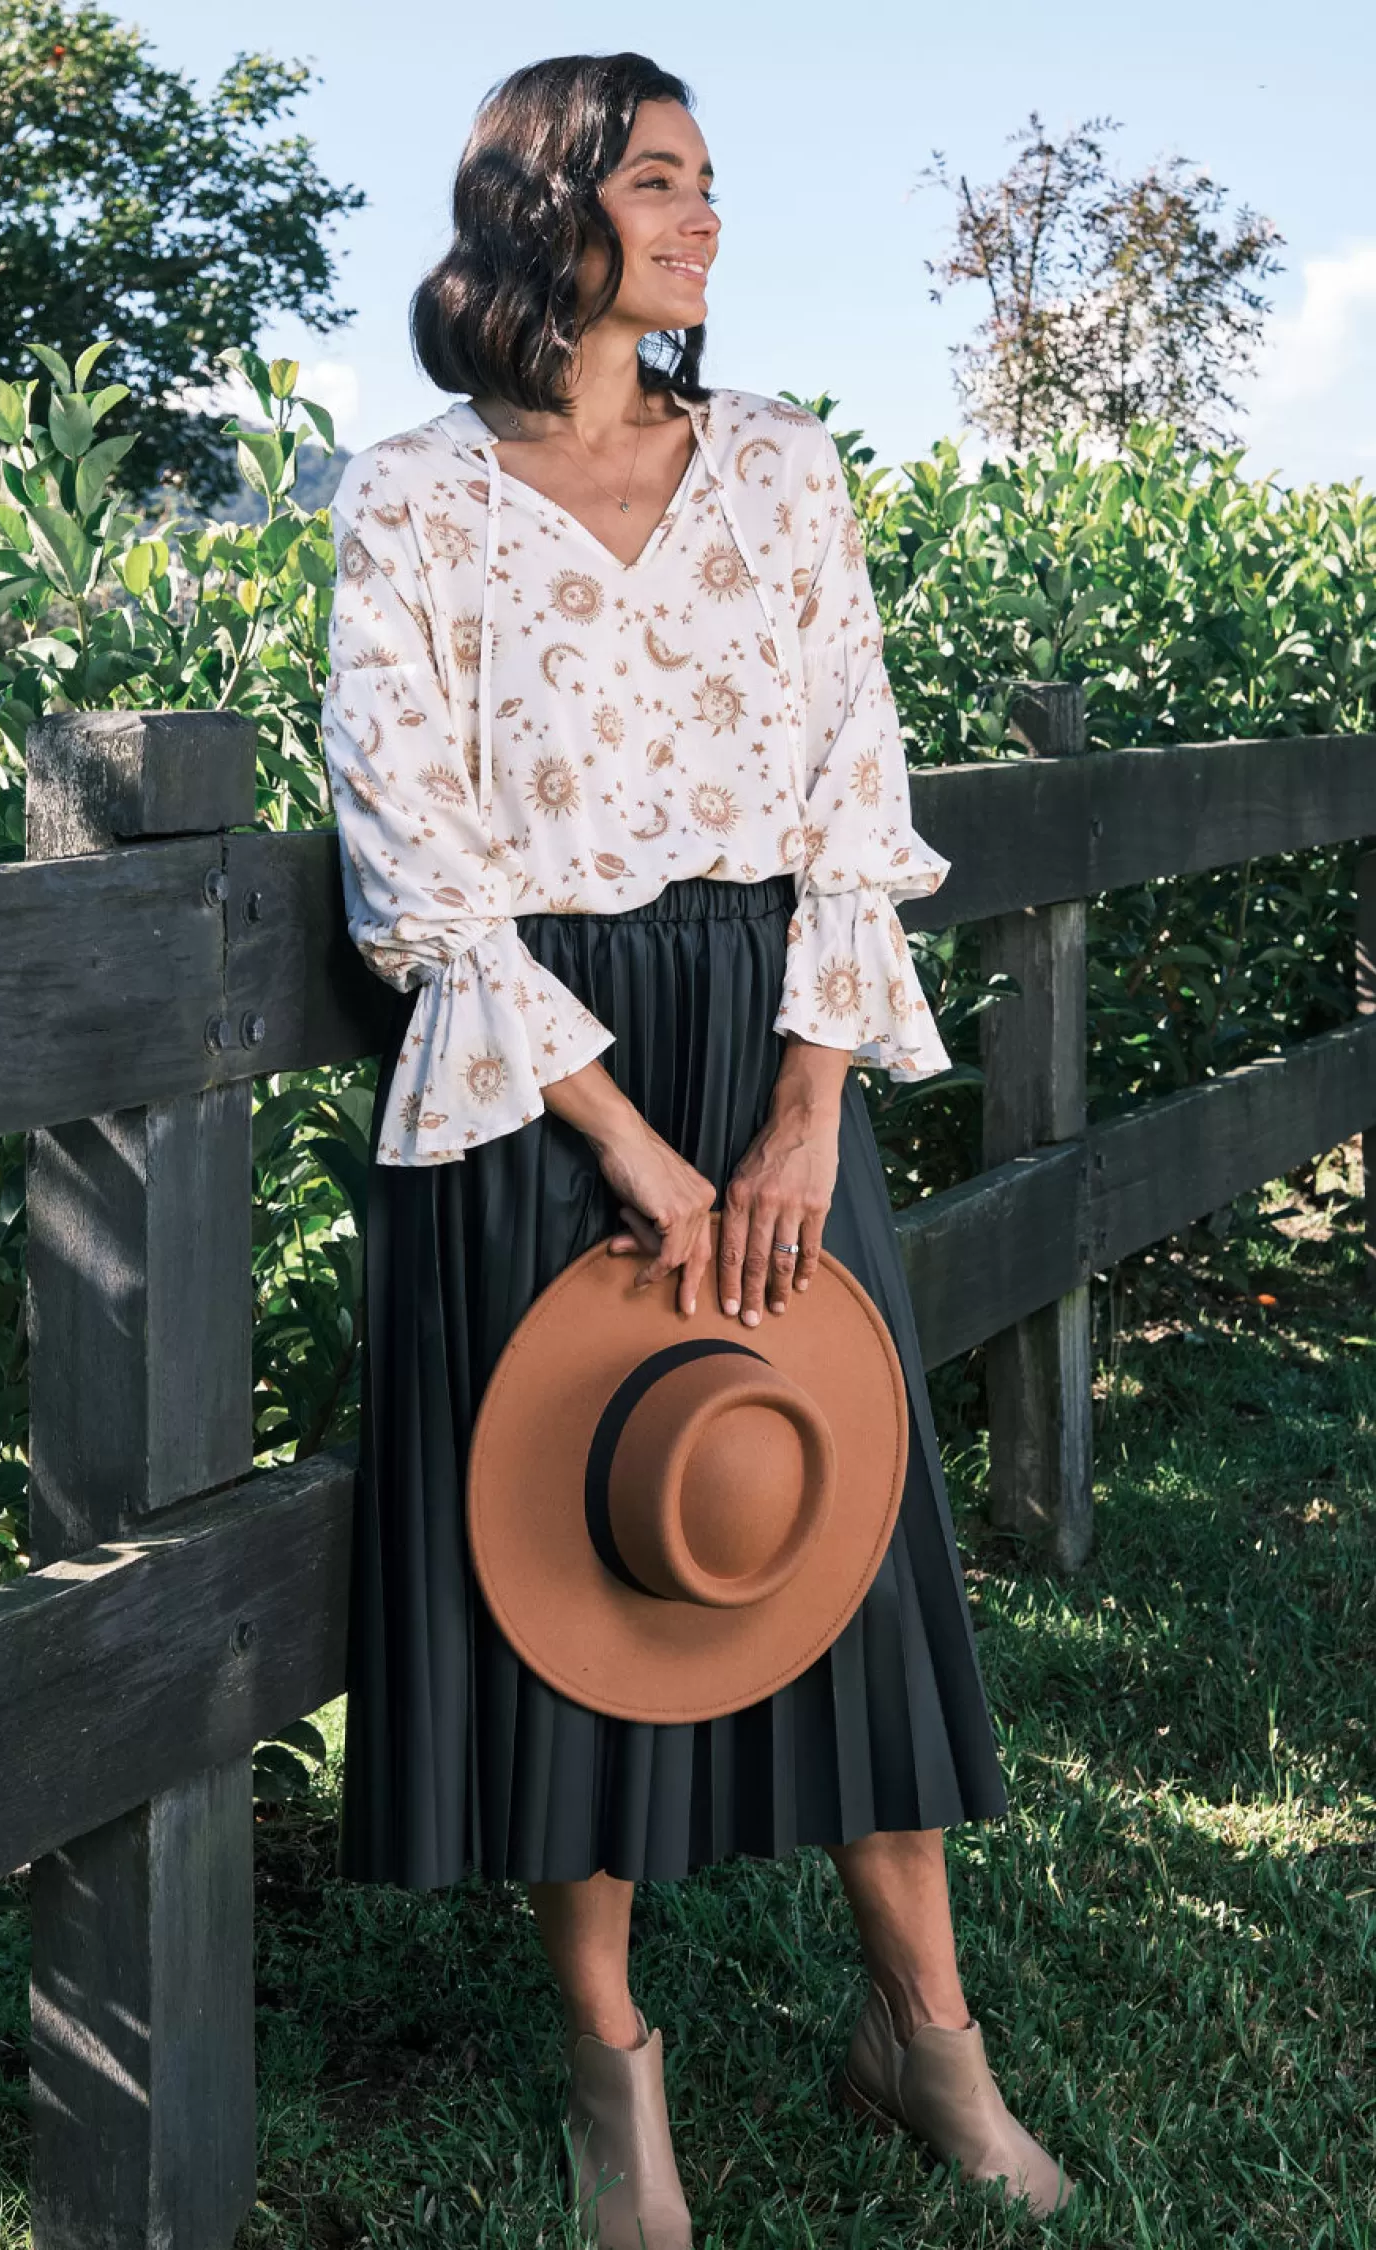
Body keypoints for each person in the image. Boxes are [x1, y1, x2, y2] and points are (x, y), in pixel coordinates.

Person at [320, 50, 1075, 2243]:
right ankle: (610, 2072)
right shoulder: (413, 500)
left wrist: (799, 1113)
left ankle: (925, 2031)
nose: (710, 217)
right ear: (551, 211)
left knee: (834, 1524)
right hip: (534, 1071)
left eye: (713, 183)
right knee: (585, 1559)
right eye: (664, 182)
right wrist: (637, 1157)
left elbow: (857, 793)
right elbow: (419, 857)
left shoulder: (785, 469)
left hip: (774, 1047)